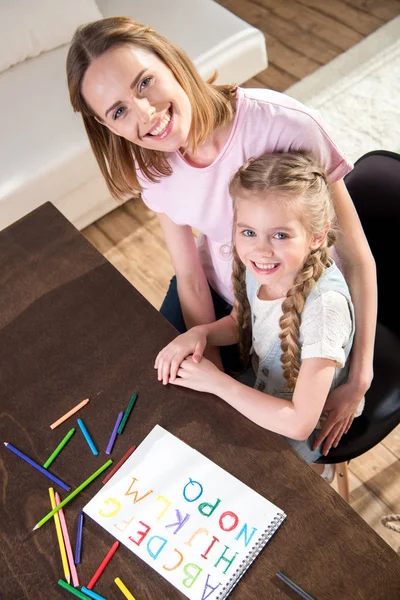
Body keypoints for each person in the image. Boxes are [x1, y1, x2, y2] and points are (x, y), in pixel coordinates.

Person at [66, 16, 376, 456]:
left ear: (172, 63)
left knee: (257, 450)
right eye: (118, 111)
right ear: (107, 127)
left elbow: (358, 257)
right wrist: (211, 370)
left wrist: (360, 378)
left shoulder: (287, 126)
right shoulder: (151, 167)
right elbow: (191, 279)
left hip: (296, 299)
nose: (146, 113)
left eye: (145, 83)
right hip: (231, 299)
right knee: (146, 393)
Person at [155, 151, 364, 465]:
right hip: (258, 391)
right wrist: (202, 333)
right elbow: (240, 320)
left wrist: (216, 382)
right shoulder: (261, 267)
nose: (261, 250)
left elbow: (299, 423)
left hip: (295, 428)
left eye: (280, 235)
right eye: (248, 232)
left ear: (317, 237)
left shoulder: (325, 310)